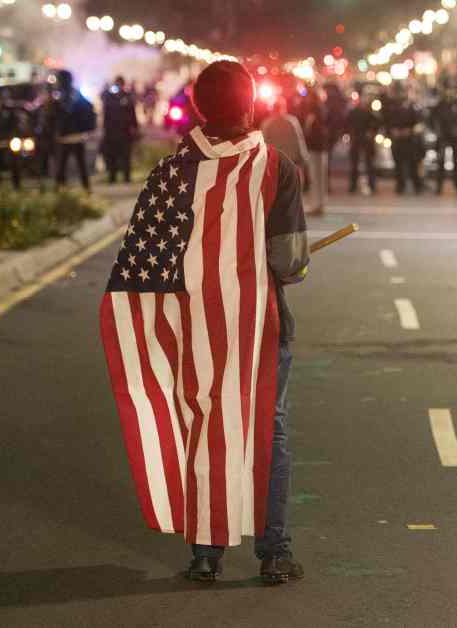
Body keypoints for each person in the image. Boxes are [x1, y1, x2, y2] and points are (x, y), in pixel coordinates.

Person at [98, 59, 309, 586]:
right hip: (260, 329)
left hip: (192, 329)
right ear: (251, 105)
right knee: (267, 429)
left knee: (204, 427)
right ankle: (273, 552)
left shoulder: (171, 173)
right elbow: (290, 263)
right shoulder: (278, 168)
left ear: (198, 108)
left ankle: (205, 555)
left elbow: (147, 258)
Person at [52, 69, 96, 192]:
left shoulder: (59, 96)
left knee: (62, 167)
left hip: (66, 137)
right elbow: (89, 110)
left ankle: (61, 190)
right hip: (75, 136)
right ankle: (86, 189)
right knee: (78, 166)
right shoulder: (75, 94)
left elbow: (53, 116)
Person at [385, 88, 425, 195]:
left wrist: (410, 131)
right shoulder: (392, 109)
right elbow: (387, 124)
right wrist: (393, 132)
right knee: (398, 165)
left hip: (410, 141)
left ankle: (416, 185)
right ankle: (400, 185)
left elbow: (419, 125)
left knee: (413, 165)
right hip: (398, 142)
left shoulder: (413, 109)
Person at [101, 76, 138, 184]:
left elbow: (132, 114)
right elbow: (106, 115)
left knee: (126, 156)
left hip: (125, 132)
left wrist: (135, 128)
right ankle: (112, 177)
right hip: (112, 132)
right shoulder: (109, 97)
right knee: (112, 156)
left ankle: (126, 177)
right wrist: (105, 130)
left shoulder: (127, 97)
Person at [430, 88, 457, 195]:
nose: (448, 93)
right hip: (443, 137)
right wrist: (437, 131)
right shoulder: (439, 106)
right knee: (440, 162)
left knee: (456, 162)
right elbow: (432, 120)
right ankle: (439, 186)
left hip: (455, 138)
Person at [261, 97, 310, 171]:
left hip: (274, 164)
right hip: (292, 162)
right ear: (284, 107)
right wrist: (304, 160)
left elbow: (264, 145)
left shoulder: (266, 124)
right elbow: (299, 141)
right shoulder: (292, 121)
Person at [345, 94, 380, 194]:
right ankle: (354, 185)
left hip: (365, 140)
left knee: (368, 164)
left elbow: (376, 124)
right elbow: (347, 124)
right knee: (356, 164)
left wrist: (371, 133)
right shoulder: (355, 112)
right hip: (357, 139)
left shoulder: (368, 112)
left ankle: (370, 185)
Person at [302, 87, 329, 214]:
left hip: (314, 146)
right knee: (320, 176)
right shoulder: (323, 109)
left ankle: (316, 205)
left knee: (315, 176)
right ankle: (320, 203)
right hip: (322, 146)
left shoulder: (313, 109)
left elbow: (308, 126)